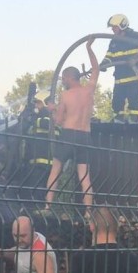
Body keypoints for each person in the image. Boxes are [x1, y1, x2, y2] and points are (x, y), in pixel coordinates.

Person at [45, 38, 99, 209]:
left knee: (55, 170)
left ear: (69, 78)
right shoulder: (89, 91)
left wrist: (53, 109)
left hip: (68, 134)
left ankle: (48, 206)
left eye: (64, 78)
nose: (63, 81)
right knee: (85, 176)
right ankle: (88, 211)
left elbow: (59, 120)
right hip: (85, 136)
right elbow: (96, 69)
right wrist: (89, 48)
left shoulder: (65, 95)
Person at [100, 14, 138, 123]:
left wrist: (136, 58)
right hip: (120, 79)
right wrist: (103, 64)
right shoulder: (114, 41)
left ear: (122, 25)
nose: (112, 29)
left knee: (135, 103)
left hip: (135, 79)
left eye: (114, 27)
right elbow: (109, 56)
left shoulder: (136, 36)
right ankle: (119, 121)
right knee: (117, 103)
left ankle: (135, 122)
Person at [15, 89, 59, 202]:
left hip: (42, 162)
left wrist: (31, 118)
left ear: (45, 102)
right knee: (36, 190)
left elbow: (46, 123)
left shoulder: (47, 115)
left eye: (38, 102)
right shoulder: (44, 115)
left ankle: (37, 208)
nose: (36, 105)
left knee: (37, 191)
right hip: (38, 161)